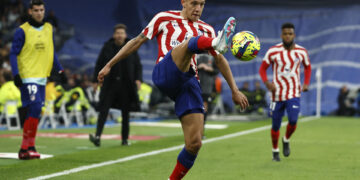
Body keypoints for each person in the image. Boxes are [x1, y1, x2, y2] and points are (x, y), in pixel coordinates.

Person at [97, 0, 249, 179]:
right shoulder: (164, 18)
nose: (198, 8)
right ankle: (217, 42)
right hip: (165, 72)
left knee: (194, 143)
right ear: (183, 2)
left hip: (188, 82)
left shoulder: (206, 29)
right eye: (194, 3)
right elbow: (137, 41)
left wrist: (234, 89)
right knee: (190, 43)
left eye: (202, 4)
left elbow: (220, 60)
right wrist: (109, 64)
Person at [9, 0, 65, 160]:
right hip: (28, 76)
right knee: (34, 107)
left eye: (42, 10)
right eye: (36, 10)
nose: (39, 13)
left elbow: (51, 50)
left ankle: (30, 147)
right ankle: (24, 148)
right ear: (30, 12)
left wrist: (59, 69)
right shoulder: (22, 31)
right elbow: (13, 53)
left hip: (42, 77)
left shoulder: (48, 28)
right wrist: (16, 74)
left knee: (37, 110)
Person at [259, 22, 311, 162]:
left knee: (293, 120)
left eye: (290, 34)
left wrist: (306, 83)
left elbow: (307, 67)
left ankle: (286, 139)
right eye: (285, 34)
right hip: (275, 95)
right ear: (281, 35)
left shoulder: (301, 52)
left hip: (294, 93)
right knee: (275, 124)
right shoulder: (273, 51)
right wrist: (267, 83)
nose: (287, 36)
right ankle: (275, 151)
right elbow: (262, 69)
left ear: (294, 35)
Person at [89, 24, 142, 146]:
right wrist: (95, 81)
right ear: (114, 35)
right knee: (103, 110)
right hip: (109, 84)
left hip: (126, 85)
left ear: (125, 35)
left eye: (121, 33)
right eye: (117, 33)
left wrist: (138, 80)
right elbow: (99, 64)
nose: (119, 35)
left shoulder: (131, 47)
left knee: (125, 113)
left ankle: (124, 139)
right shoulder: (107, 47)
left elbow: (138, 66)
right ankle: (97, 136)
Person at [197, 54, 219, 138]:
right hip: (195, 86)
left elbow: (217, 70)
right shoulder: (194, 55)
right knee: (194, 110)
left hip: (207, 88)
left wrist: (208, 68)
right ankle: (193, 132)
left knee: (204, 110)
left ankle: (201, 132)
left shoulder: (212, 56)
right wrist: (198, 67)